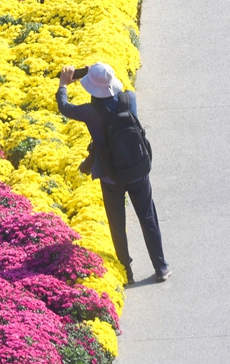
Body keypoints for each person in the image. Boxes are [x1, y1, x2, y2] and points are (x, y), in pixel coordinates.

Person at [57, 62, 171, 284]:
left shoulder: (90, 112)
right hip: (137, 169)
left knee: (117, 224)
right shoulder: (130, 98)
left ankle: (126, 272)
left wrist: (63, 84)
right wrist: (96, 72)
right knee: (148, 218)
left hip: (111, 176)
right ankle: (161, 267)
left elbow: (64, 107)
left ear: (92, 89)